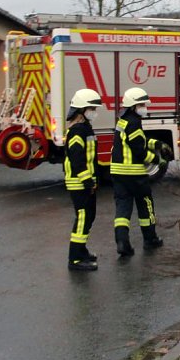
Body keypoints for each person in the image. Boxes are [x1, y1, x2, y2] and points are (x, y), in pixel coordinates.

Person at [111, 87, 167, 257]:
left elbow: (137, 141)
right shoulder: (135, 122)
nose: (144, 107)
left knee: (123, 207)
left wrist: (157, 144)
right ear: (134, 106)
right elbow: (138, 150)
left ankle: (122, 242)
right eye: (142, 104)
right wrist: (158, 160)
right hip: (134, 173)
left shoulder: (123, 121)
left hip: (118, 172)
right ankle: (150, 239)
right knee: (145, 204)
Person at [64, 88, 103, 271]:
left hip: (86, 181)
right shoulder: (77, 132)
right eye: (91, 108)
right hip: (78, 182)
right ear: (82, 110)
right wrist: (87, 181)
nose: (94, 112)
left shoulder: (85, 128)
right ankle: (75, 259)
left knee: (89, 216)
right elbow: (77, 159)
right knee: (83, 217)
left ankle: (82, 250)